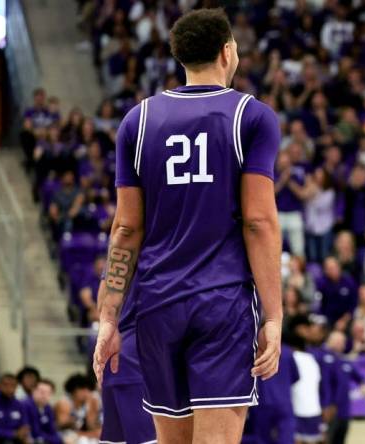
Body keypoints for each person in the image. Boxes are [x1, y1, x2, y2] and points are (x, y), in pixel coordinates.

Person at [92, 8, 283, 444]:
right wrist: (274, 315)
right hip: (221, 302)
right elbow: (257, 221)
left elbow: (124, 229)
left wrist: (109, 317)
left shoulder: (136, 122)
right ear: (228, 51)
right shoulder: (251, 116)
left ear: (181, 59)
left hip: (157, 304)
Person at [99, 285, 156, 444]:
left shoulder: (119, 265)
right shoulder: (158, 263)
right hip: (138, 356)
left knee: (115, 441)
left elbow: (101, 298)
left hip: (115, 352)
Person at [323, 331, 365, 444]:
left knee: (341, 439)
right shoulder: (322, 357)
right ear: (329, 341)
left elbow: (359, 377)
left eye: (342, 341)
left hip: (344, 412)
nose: (340, 344)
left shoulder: (344, 362)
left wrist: (363, 385)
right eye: (337, 341)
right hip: (329, 410)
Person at [247, 344, 299, 444]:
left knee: (262, 438)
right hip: (284, 401)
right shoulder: (287, 351)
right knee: (286, 437)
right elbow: (295, 377)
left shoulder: (255, 351)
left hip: (262, 401)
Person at [0, 374, 31, 443]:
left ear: (17, 387)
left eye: (13, 385)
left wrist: (23, 433)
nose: (9, 388)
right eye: (5, 385)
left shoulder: (19, 404)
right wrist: (13, 433)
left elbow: (24, 425)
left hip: (15, 439)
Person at [22, 379, 62, 444]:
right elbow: (35, 432)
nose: (44, 395)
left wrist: (58, 439)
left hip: (45, 439)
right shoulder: (25, 405)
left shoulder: (48, 407)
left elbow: (52, 429)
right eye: (42, 392)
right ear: (33, 390)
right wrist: (55, 440)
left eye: (48, 393)